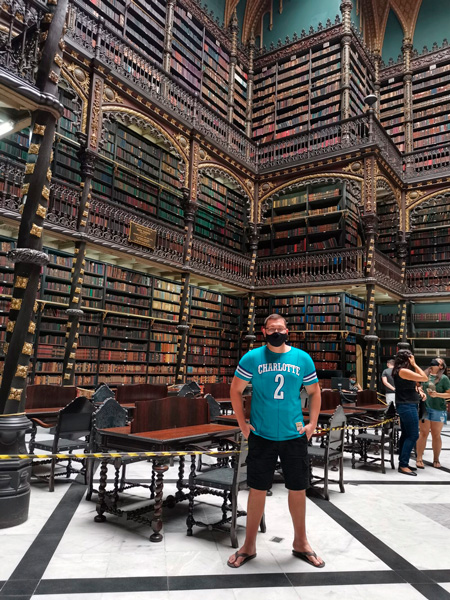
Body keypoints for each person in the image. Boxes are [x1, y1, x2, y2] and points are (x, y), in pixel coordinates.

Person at [227, 313, 323, 569]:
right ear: (264, 331)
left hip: (294, 435)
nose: (276, 332)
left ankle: (301, 542)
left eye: (280, 328)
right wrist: (242, 424)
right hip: (262, 435)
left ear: (287, 331)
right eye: (271, 329)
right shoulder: (252, 358)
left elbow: (315, 392)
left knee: (298, 488)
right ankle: (249, 545)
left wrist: (312, 423)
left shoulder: (302, 358)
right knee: (257, 488)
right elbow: (235, 390)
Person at [392, 349, 428, 476]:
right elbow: (424, 378)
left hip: (406, 404)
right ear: (408, 359)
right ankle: (403, 465)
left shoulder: (401, 371)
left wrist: (419, 391)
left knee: (406, 434)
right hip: (407, 405)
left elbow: (415, 384)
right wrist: (415, 364)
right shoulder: (404, 371)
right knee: (413, 435)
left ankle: (403, 462)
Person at [416, 358, 450, 469]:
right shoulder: (424, 375)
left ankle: (436, 459)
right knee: (423, 433)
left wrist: (437, 395)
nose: (434, 361)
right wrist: (419, 390)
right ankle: (419, 458)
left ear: (441, 366)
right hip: (425, 407)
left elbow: (448, 394)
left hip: (438, 409)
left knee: (436, 434)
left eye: (438, 361)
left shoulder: (444, 378)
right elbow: (417, 385)